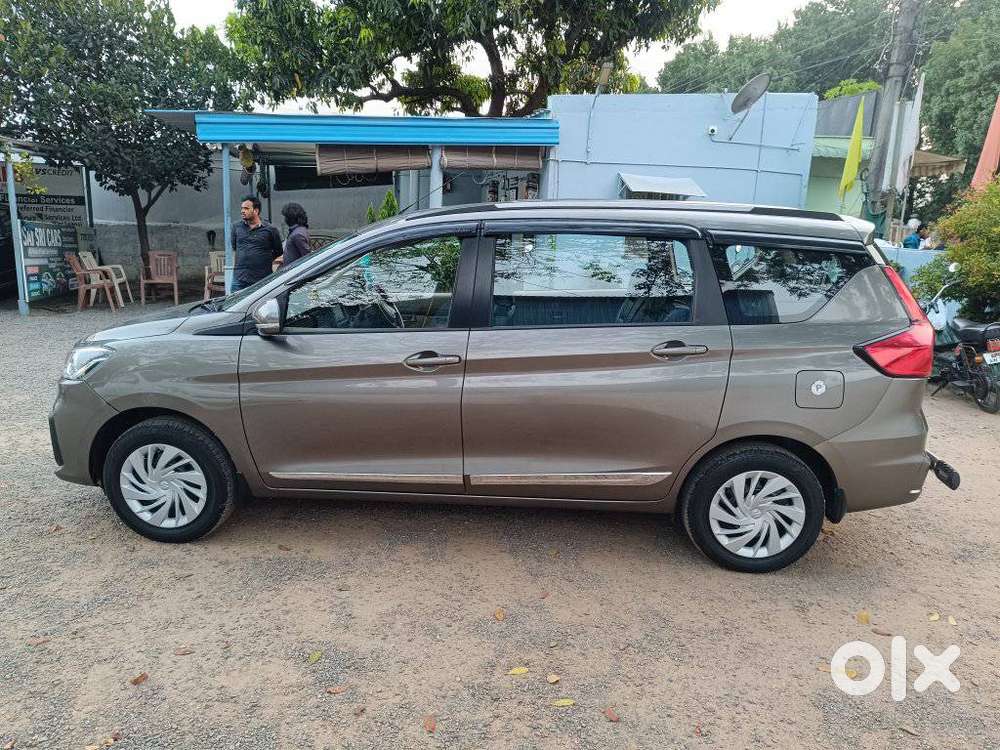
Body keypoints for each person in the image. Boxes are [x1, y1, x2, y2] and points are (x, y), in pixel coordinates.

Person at [231, 195, 282, 291]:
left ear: (256, 211)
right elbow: (235, 247)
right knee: (234, 304)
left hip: (262, 279)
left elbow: (278, 251)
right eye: (242, 208)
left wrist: (262, 259)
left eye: (246, 208)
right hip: (239, 279)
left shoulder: (270, 230)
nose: (242, 211)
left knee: (261, 305)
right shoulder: (236, 227)